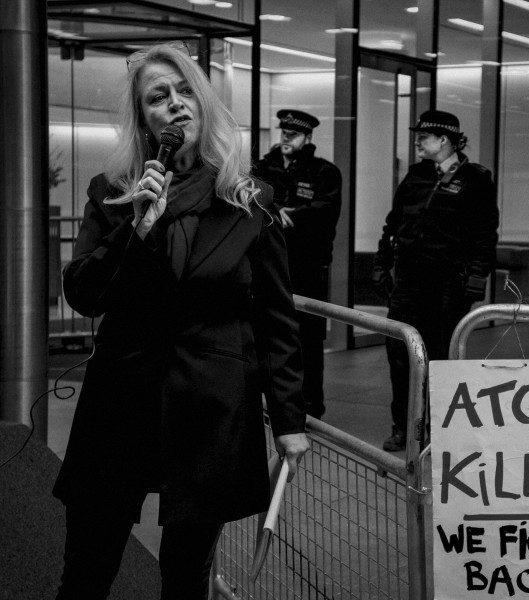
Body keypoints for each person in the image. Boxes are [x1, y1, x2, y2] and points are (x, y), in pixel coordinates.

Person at [52, 41, 310, 600]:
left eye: (186, 90)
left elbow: (276, 319)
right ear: (144, 120)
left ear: (205, 104)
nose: (176, 104)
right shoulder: (113, 193)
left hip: (209, 406)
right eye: (158, 97)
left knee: (186, 577)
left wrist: (289, 417)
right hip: (121, 402)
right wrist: (136, 228)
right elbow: (83, 295)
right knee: (88, 566)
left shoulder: (250, 200)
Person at [372, 110, 499, 451]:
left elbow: (486, 234)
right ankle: (405, 427)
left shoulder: (475, 179)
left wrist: (476, 278)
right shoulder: (415, 176)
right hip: (409, 283)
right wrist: (382, 262)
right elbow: (393, 223)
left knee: (441, 359)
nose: (417, 141)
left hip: (448, 285)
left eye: (423, 137)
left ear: (444, 140)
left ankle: (442, 430)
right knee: (400, 354)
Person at [254, 109, 342, 419]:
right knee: (269, 335)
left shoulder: (324, 172)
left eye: (293, 134)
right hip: (268, 265)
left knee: (308, 340)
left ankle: (310, 406)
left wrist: (293, 215)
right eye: (284, 133)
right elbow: (250, 199)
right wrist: (279, 212)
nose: (286, 138)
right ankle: (272, 403)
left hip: (306, 267)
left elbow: (324, 211)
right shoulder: (262, 167)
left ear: (307, 138)